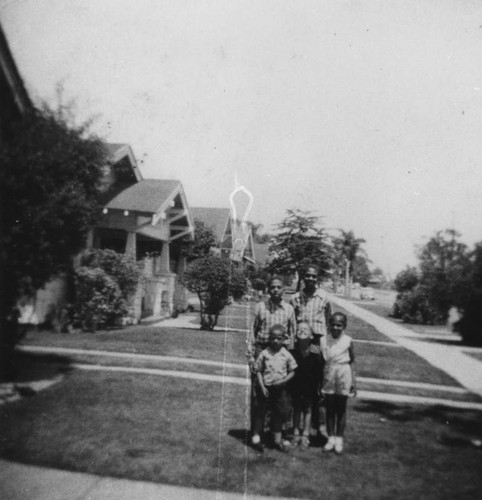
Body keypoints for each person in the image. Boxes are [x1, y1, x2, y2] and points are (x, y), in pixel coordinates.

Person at [247, 276, 296, 437]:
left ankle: (277, 432)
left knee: (280, 394)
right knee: (258, 392)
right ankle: (256, 432)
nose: (275, 290)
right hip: (261, 350)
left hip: (281, 353)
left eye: (279, 287)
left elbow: (292, 334)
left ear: (284, 289)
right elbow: (252, 332)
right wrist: (252, 355)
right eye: (272, 287)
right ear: (268, 289)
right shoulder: (260, 307)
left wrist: (287, 357)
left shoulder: (289, 309)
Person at [290, 264, 331, 440]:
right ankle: (293, 425)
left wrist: (321, 339)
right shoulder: (296, 298)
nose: (311, 279)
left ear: (317, 278)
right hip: (301, 341)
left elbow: (328, 319)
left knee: (320, 383)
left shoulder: (324, 297)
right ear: (303, 277)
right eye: (308, 276)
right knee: (299, 382)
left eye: (314, 276)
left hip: (317, 340)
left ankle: (320, 425)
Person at [252, 324, 297, 452]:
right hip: (265, 389)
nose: (275, 341)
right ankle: (256, 437)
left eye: (278, 338)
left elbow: (293, 371)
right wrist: (261, 386)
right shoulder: (264, 353)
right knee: (261, 413)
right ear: (269, 339)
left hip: (280, 390)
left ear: (284, 339)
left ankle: (277, 439)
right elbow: (259, 370)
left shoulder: (286, 354)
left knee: (278, 414)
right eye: (273, 338)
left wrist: (283, 381)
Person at [321, 312, 357, 454]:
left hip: (344, 372)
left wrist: (354, 380)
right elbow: (322, 360)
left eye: (339, 325)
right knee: (329, 407)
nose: (336, 327)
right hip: (329, 371)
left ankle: (339, 439)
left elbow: (352, 360)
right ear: (329, 325)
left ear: (344, 326)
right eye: (333, 324)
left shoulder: (348, 340)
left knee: (341, 408)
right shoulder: (324, 340)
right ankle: (331, 438)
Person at [289, 322, 324, 449]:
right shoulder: (291, 350)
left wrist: (320, 386)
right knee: (297, 408)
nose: (302, 330)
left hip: (311, 384)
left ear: (311, 336)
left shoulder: (316, 351)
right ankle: (296, 433)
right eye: (299, 329)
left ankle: (306, 434)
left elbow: (321, 370)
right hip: (296, 383)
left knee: (308, 409)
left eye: (305, 329)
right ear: (295, 335)